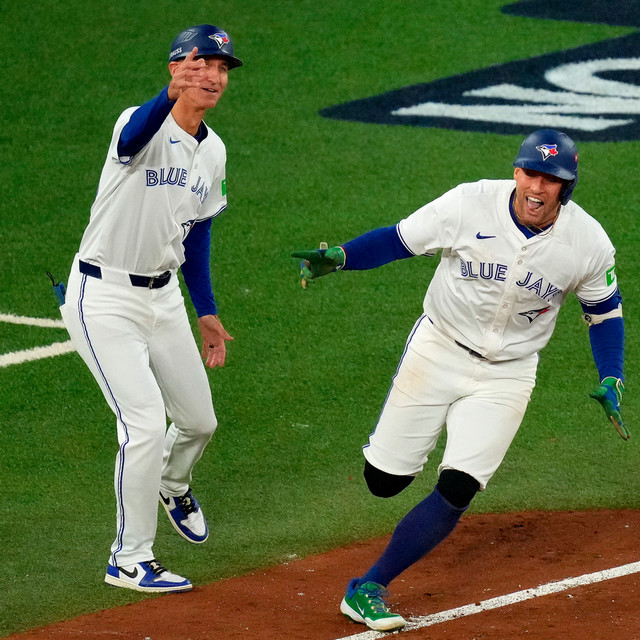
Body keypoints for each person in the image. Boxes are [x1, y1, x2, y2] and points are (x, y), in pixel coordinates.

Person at [292, 129, 628, 631]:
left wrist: (613, 377)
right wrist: (342, 257)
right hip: (438, 350)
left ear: (568, 185)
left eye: (551, 180)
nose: (538, 188)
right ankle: (391, 477)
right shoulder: (469, 203)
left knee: (459, 486)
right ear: (516, 172)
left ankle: (368, 587)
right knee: (384, 482)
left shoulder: (588, 242)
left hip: (509, 375)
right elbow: (399, 239)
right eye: (531, 174)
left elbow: (604, 314)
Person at [61, 24, 242, 593]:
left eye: (221, 68)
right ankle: (129, 558)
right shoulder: (135, 123)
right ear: (175, 69)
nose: (212, 76)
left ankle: (172, 481)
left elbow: (198, 232)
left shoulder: (212, 151)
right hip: (104, 294)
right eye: (201, 64)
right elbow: (133, 138)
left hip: (162, 296)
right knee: (142, 424)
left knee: (198, 421)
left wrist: (206, 309)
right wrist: (166, 97)